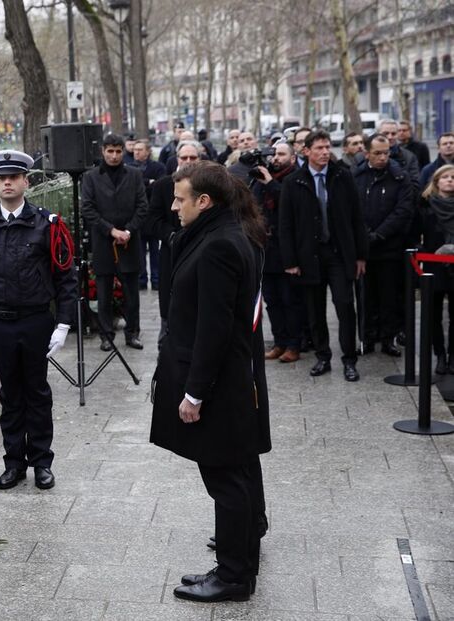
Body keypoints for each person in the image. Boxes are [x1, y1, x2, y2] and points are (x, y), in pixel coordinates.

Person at [150, 161, 265, 603]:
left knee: (225, 479)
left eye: (180, 199)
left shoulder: (219, 244)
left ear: (204, 201)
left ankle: (234, 576)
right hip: (229, 378)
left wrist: (194, 392)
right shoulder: (223, 232)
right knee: (236, 473)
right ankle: (238, 564)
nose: (173, 207)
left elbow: (213, 328)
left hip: (219, 383)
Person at [0, 150, 77, 491]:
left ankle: (42, 463)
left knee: (37, 393)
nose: (7, 182)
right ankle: (13, 463)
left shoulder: (46, 225)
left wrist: (64, 324)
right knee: (10, 395)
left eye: (13, 177)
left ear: (26, 181)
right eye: (1, 178)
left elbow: (66, 277)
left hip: (36, 322)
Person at [279, 130, 368, 381]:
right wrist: (291, 261)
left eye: (327, 147)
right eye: (319, 148)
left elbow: (357, 218)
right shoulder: (293, 182)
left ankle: (349, 360)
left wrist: (360, 255)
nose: (325, 152)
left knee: (344, 305)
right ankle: (323, 357)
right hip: (309, 256)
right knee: (314, 310)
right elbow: (285, 225)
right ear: (306, 151)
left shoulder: (343, 176)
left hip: (340, 254)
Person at [81, 133, 149, 350]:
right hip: (103, 242)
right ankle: (106, 335)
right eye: (110, 151)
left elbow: (142, 206)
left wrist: (128, 230)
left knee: (132, 294)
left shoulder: (135, 174)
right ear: (103, 151)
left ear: (123, 152)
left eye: (118, 151)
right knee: (104, 293)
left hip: (129, 242)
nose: (114, 156)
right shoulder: (91, 177)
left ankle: (133, 333)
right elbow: (88, 209)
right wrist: (111, 230)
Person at [353, 133, 413, 356]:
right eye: (377, 153)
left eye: (386, 152)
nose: (383, 157)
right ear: (366, 153)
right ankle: (367, 337)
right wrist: (364, 235)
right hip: (364, 249)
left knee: (389, 296)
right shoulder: (357, 175)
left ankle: (388, 338)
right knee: (366, 297)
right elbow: (352, 208)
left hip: (389, 247)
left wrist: (379, 235)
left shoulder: (400, 177)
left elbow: (403, 211)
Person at [143, 141, 202, 344]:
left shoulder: (207, 184)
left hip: (200, 248)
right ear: (177, 159)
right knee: (169, 290)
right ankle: (166, 329)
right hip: (172, 248)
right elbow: (152, 219)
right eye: (184, 157)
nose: (187, 161)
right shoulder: (162, 185)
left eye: (192, 158)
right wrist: (171, 236)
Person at [253, 142, 303, 363]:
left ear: (292, 158)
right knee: (272, 299)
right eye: (273, 154)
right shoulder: (262, 178)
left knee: (289, 299)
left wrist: (271, 183)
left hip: (287, 249)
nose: (276, 158)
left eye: (281, 154)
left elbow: (291, 205)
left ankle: (294, 344)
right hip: (266, 248)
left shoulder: (295, 178)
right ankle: (279, 342)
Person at [415, 165, 454, 374]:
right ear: (436, 181)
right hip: (433, 266)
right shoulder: (425, 205)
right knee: (434, 314)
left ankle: (453, 355)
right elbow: (415, 232)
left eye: (453, 177)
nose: (450, 180)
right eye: (445, 177)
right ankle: (439, 354)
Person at [129, 141, 166, 290]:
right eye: (135, 150)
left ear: (148, 152)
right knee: (139, 250)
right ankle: (142, 279)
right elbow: (131, 188)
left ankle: (156, 279)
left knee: (155, 249)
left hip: (153, 214)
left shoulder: (157, 167)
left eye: (140, 150)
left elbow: (159, 186)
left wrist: (147, 184)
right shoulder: (129, 168)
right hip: (136, 215)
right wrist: (147, 182)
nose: (136, 152)